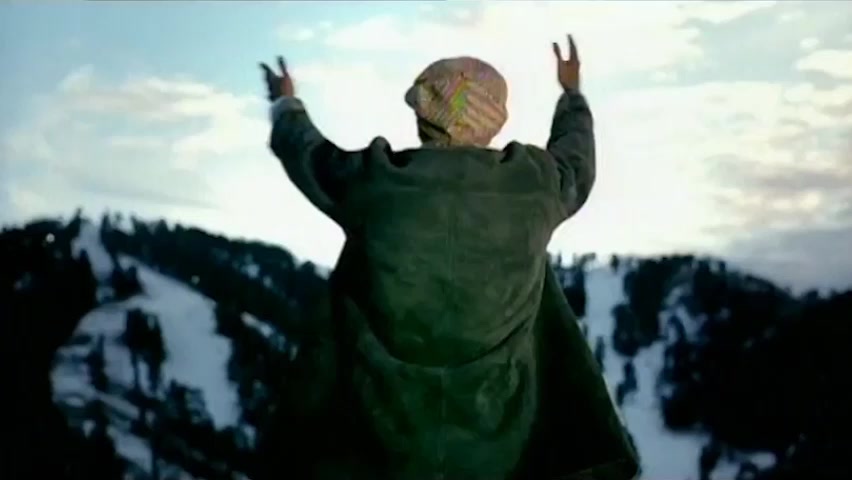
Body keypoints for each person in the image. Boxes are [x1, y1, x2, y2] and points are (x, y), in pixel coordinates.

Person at [259, 35, 639, 480]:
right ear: (494, 119)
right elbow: (577, 159)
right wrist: (572, 94)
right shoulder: (533, 187)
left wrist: (286, 103)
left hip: (381, 443)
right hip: (502, 444)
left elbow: (305, 152)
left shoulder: (373, 182)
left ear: (422, 115)